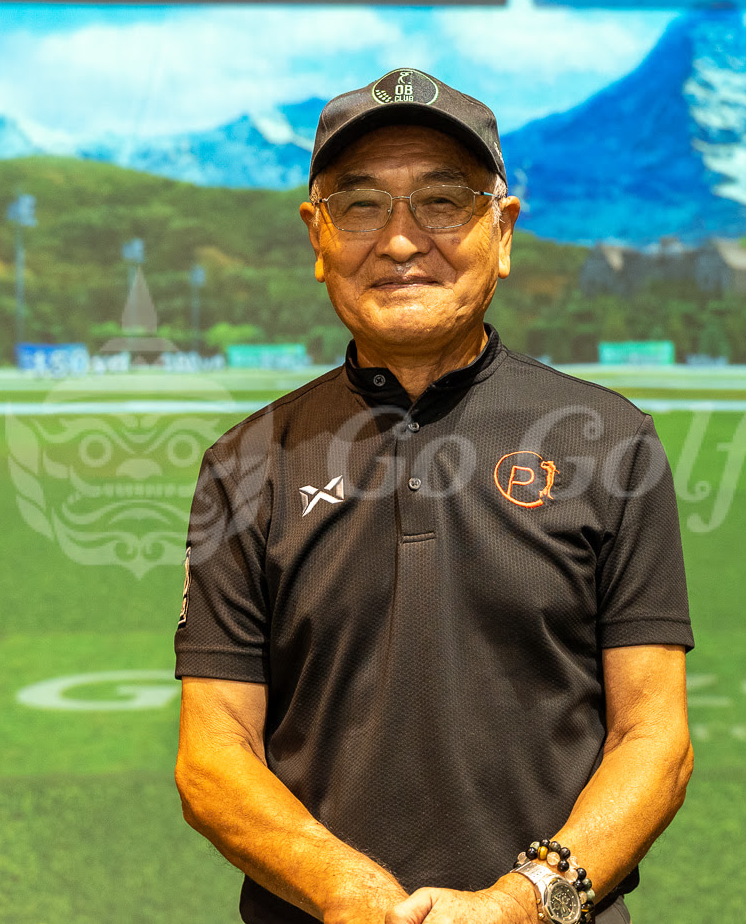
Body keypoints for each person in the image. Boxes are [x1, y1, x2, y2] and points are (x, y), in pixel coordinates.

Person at [174, 68, 693, 924]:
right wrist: (349, 894)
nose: (400, 241)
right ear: (317, 236)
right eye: (361, 206)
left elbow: (655, 740)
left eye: (443, 203)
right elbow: (212, 754)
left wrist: (523, 902)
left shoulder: (609, 442)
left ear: (504, 231)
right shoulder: (245, 464)